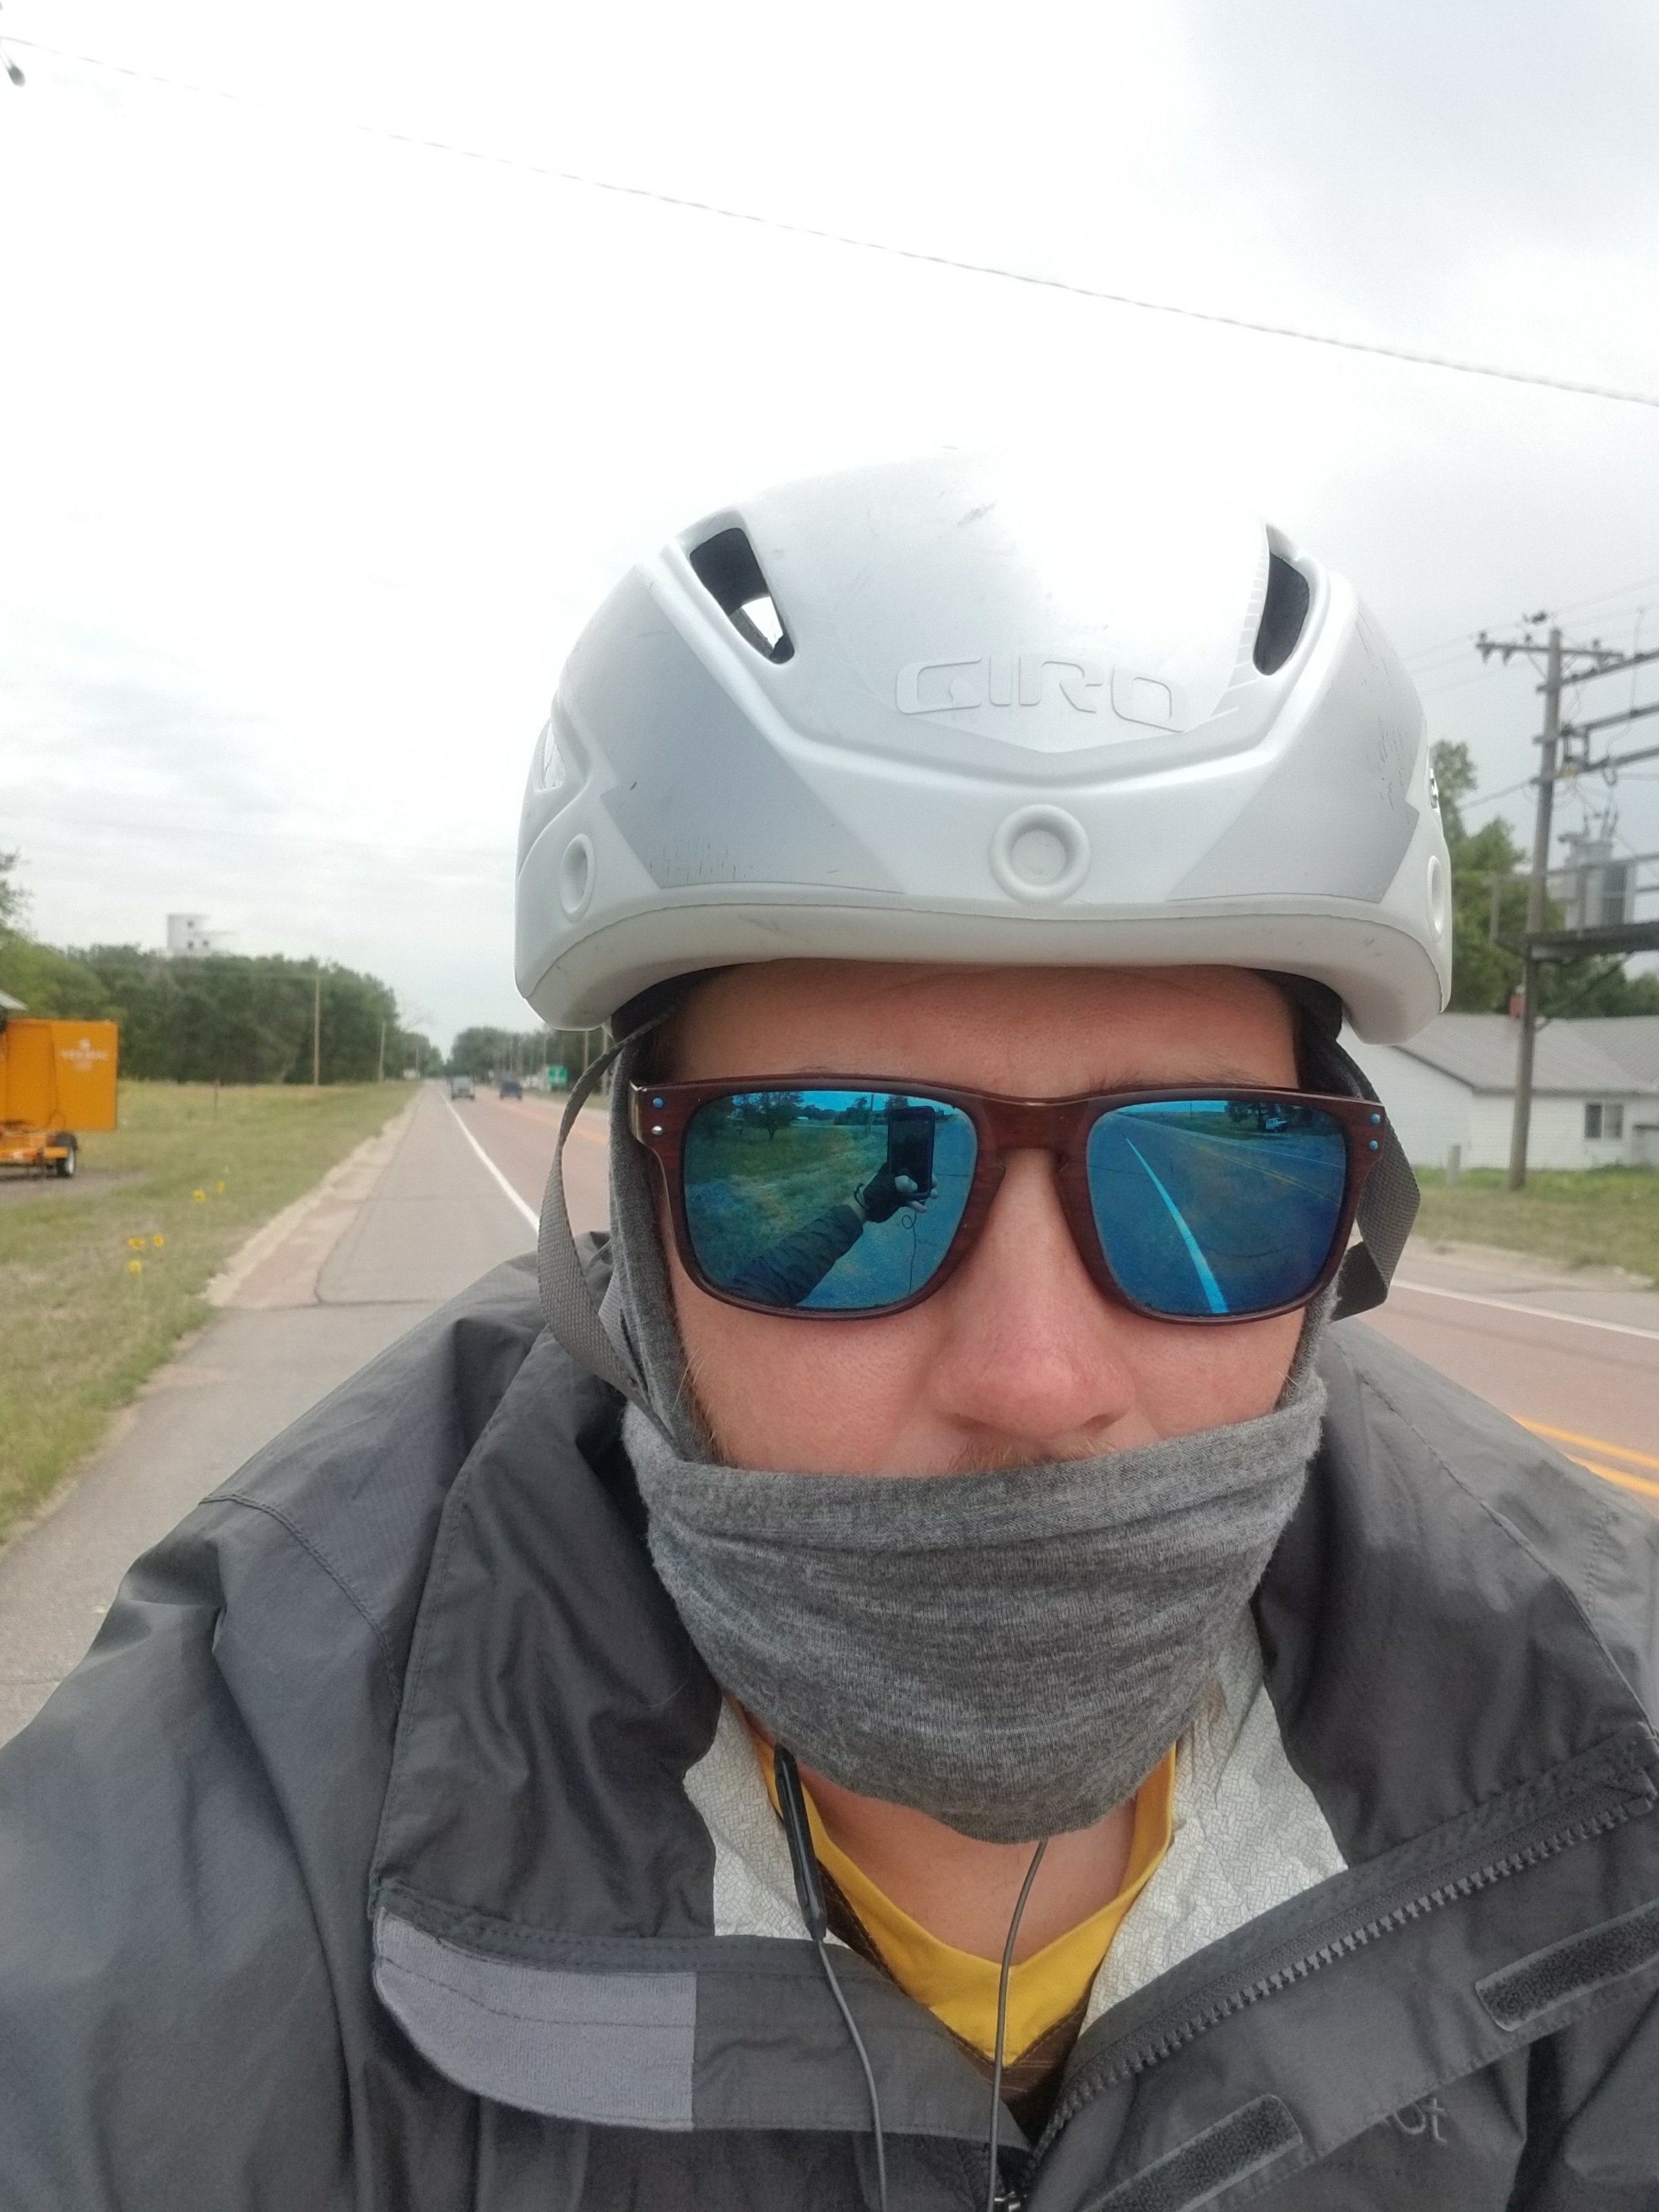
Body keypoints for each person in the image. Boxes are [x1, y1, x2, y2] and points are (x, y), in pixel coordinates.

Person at [3, 455, 1657, 2211]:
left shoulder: (1602, 1740)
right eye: (826, 1147)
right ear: (633, 1237)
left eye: (1208, 1169)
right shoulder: (239, 1811)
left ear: (1348, 1232)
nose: (1036, 1381)